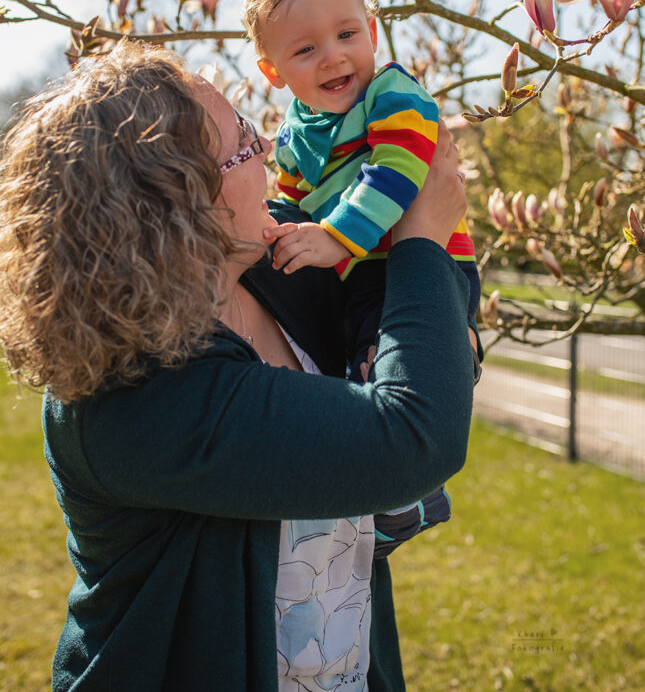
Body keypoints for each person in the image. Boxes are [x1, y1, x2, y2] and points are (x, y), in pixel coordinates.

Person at [0, 43, 475, 692]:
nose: (269, 148)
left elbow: (417, 349)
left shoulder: (279, 261)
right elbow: (414, 433)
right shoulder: (135, 394)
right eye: (245, 142)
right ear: (178, 208)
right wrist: (423, 239)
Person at [243, 0, 482, 556]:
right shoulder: (296, 135)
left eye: (347, 33)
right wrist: (286, 233)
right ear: (273, 72)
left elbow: (398, 175)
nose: (334, 55)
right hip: (362, 272)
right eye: (305, 49)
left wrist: (333, 237)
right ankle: (400, 497)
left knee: (384, 366)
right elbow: (294, 200)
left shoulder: (392, 94)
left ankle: (404, 498)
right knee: (359, 370)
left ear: (372, 32)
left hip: (428, 260)